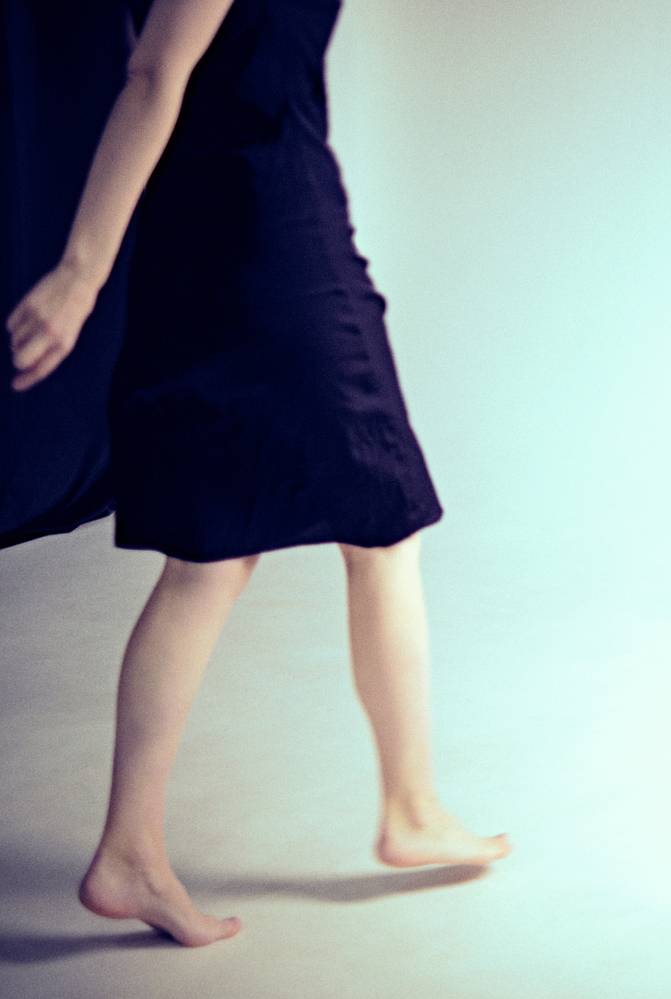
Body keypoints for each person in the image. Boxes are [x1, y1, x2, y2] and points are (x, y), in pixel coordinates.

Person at [5, 0, 508, 947]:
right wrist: (82, 270)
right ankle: (407, 807)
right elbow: (155, 74)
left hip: (249, 218)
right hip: (267, 234)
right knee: (381, 521)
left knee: (219, 554)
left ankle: (134, 851)